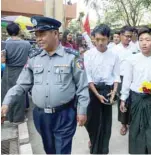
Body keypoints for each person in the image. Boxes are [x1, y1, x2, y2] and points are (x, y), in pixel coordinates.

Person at [1, 16, 89, 154]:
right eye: (36, 35)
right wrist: (6, 102)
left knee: (62, 150)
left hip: (64, 115)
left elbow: (82, 86)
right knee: (49, 150)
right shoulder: (34, 58)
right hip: (41, 116)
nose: (38, 39)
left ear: (55, 33)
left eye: (42, 34)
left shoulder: (72, 57)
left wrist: (82, 110)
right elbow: (21, 85)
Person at [120, 27, 151, 154]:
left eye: (147, 39)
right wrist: (123, 99)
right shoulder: (132, 59)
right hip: (136, 99)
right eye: (141, 40)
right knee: (137, 131)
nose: (144, 43)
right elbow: (127, 80)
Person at [84, 24, 120, 154]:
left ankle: (103, 150)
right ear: (93, 38)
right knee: (91, 122)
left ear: (108, 39)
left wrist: (114, 92)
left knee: (105, 124)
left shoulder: (114, 55)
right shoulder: (88, 54)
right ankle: (93, 142)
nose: (100, 43)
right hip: (93, 91)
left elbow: (116, 75)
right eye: (97, 39)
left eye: (103, 39)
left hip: (107, 91)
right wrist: (96, 94)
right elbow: (88, 77)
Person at [1, 22, 31, 124]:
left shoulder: (4, 44)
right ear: (18, 31)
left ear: (8, 32)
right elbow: (30, 58)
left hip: (9, 71)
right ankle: (18, 118)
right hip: (22, 71)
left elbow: (3, 60)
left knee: (7, 93)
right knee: (20, 94)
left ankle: (8, 117)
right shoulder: (27, 44)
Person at [112, 25, 138, 136]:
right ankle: (123, 123)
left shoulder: (135, 47)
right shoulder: (115, 49)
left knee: (133, 100)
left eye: (130, 37)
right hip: (121, 78)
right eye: (126, 36)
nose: (128, 38)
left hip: (134, 78)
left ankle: (132, 122)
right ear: (121, 35)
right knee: (123, 101)